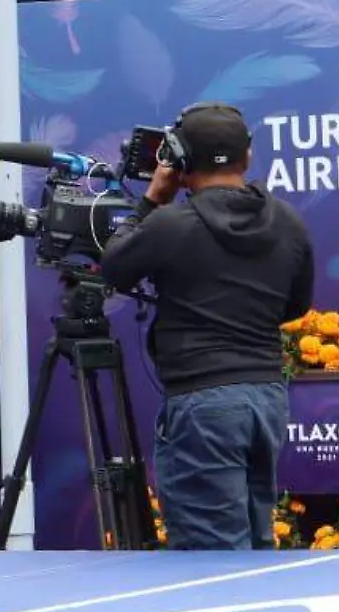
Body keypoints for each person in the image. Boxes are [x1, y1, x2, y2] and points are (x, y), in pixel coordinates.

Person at [98, 103, 314, 551]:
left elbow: (114, 267)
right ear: (247, 156)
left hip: (203, 405)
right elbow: (296, 305)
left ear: (177, 159)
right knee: (255, 545)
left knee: (209, 556)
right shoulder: (288, 221)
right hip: (266, 400)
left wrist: (152, 199)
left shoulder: (169, 223)